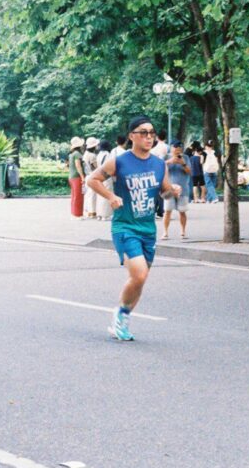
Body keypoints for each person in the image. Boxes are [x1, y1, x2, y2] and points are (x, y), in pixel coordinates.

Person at [86, 116, 180, 341]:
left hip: (148, 229)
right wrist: (111, 196)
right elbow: (92, 179)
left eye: (152, 132)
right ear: (131, 136)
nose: (149, 136)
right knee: (139, 273)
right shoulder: (119, 161)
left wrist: (172, 191)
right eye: (143, 132)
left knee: (141, 278)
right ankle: (120, 315)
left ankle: (124, 314)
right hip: (125, 226)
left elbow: (163, 192)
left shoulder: (159, 164)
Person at [162, 141, 191, 239]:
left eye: (180, 148)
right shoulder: (166, 157)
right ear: (171, 148)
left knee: (182, 211)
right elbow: (159, 168)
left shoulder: (185, 158)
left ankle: (183, 231)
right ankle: (165, 232)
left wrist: (183, 164)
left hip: (183, 189)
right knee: (167, 211)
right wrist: (169, 161)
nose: (178, 150)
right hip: (168, 189)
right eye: (175, 148)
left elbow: (190, 172)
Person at [150, 130, 169, 219]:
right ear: (165, 138)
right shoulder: (167, 147)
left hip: (153, 171)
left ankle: (153, 210)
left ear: (157, 137)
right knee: (163, 191)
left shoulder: (153, 148)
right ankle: (161, 211)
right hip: (164, 170)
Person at [95, 140, 114, 221]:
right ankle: (105, 215)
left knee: (100, 195)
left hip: (99, 176)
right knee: (107, 195)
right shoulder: (107, 154)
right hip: (106, 176)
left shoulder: (98, 154)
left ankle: (99, 214)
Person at [68, 136, 85, 219]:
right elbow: (78, 166)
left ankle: (73, 213)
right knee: (78, 196)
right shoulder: (78, 154)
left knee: (74, 196)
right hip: (77, 177)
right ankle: (77, 214)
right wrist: (82, 177)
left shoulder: (71, 154)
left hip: (71, 177)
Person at [82, 137, 100, 218]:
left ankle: (88, 211)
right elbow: (95, 167)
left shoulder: (85, 154)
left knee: (88, 195)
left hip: (87, 176)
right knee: (93, 195)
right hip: (92, 175)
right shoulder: (92, 155)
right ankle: (92, 212)